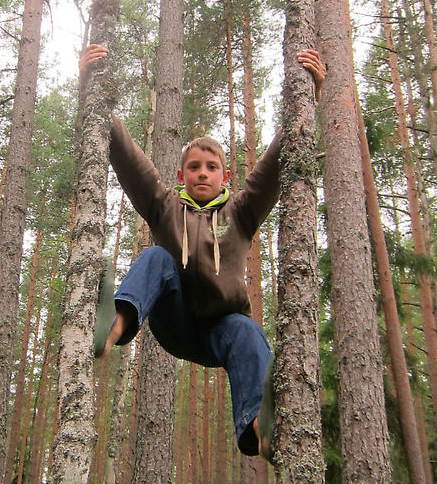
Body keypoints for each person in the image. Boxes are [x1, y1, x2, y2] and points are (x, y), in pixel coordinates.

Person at [81, 43, 325, 460]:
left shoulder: (242, 211)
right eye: (194, 167)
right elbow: (130, 160)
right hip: (173, 322)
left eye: (211, 167)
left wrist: (309, 99)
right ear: (181, 175)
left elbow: (271, 165)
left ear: (225, 175)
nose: (202, 173)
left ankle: (259, 431)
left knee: (250, 332)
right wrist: (96, 92)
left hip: (221, 331)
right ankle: (113, 330)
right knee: (156, 256)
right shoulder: (164, 205)